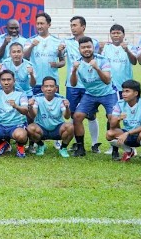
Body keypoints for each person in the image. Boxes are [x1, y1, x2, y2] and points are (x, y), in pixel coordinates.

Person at [58, 16, 102, 153]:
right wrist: (59, 51)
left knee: (91, 115)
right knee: (73, 115)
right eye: (71, 25)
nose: (72, 28)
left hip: (89, 84)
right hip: (72, 85)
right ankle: (77, 143)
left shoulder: (93, 42)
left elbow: (97, 60)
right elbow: (60, 58)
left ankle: (95, 144)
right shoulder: (66, 42)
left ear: (83, 27)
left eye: (75, 25)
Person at [69, 37, 113, 157]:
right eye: (83, 47)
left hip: (107, 93)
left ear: (93, 48)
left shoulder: (103, 60)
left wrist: (97, 68)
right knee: (77, 117)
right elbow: (73, 84)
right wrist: (73, 71)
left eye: (89, 47)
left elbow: (107, 81)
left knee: (112, 117)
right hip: (90, 94)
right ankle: (80, 148)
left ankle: (114, 150)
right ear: (79, 49)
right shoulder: (77, 62)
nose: (86, 49)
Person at [107, 80, 141, 164]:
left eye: (127, 91)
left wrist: (127, 133)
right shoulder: (120, 103)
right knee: (109, 134)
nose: (123, 94)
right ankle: (129, 151)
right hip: (128, 133)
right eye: (123, 91)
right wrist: (118, 119)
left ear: (136, 93)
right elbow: (112, 125)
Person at [25, 77, 73, 157]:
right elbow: (33, 115)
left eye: (51, 86)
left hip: (57, 128)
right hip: (42, 128)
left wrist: (67, 107)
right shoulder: (36, 98)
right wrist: (30, 107)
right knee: (30, 128)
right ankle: (41, 145)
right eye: (46, 86)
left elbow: (67, 116)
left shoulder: (61, 99)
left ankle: (63, 148)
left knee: (70, 127)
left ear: (56, 88)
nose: (49, 89)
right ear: (42, 88)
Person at [23, 12, 65, 96]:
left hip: (52, 83)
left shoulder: (57, 41)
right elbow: (25, 57)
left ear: (49, 25)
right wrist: (31, 46)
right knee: (34, 107)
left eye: (42, 23)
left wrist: (56, 64)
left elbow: (63, 62)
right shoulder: (30, 41)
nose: (39, 26)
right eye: (37, 24)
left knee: (52, 106)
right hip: (35, 82)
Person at [104, 24, 137, 96]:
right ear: (110, 35)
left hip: (126, 86)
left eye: (118, 33)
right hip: (110, 87)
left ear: (124, 35)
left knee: (126, 106)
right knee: (113, 107)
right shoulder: (105, 48)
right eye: (113, 33)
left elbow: (134, 62)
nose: (116, 35)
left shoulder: (131, 48)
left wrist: (127, 51)